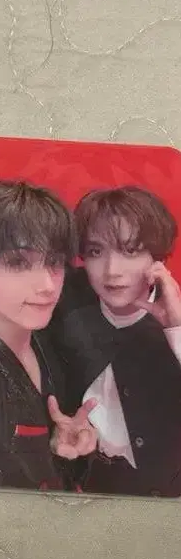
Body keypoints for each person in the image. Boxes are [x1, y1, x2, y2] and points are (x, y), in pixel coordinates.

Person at [0, 178, 96, 491]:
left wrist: (58, 447)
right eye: (18, 263)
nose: (47, 285)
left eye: (54, 262)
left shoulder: (53, 338)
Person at [50, 185, 181, 497]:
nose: (112, 271)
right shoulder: (63, 295)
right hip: (95, 487)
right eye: (96, 252)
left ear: (157, 258)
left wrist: (176, 327)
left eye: (130, 250)